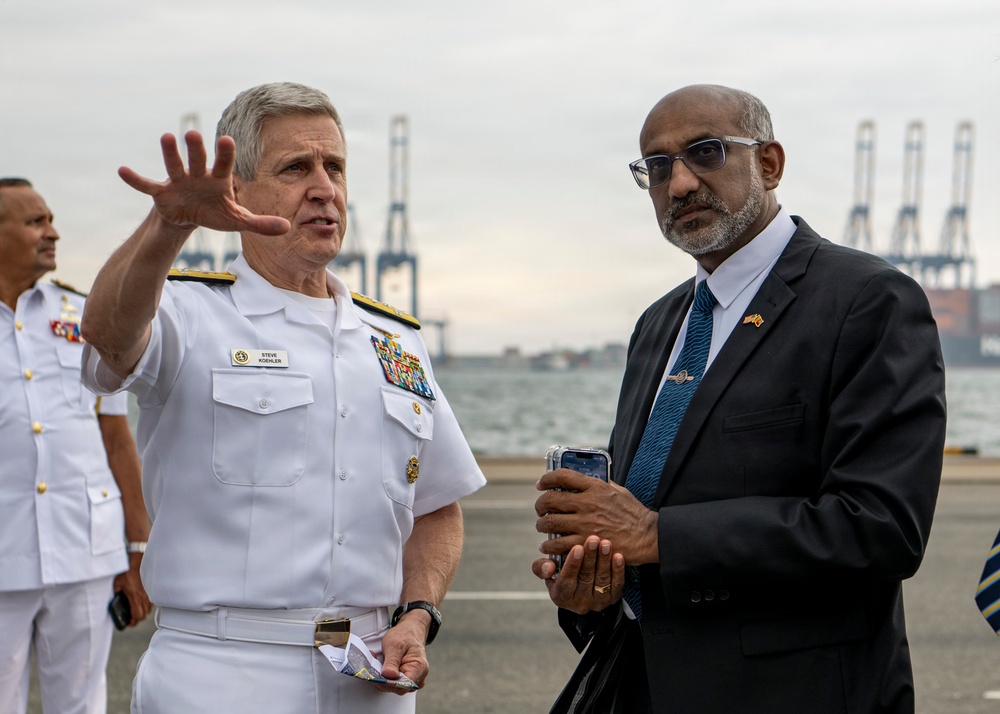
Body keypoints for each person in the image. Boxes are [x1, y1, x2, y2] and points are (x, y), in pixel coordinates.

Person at [533, 85, 946, 713]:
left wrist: (659, 535)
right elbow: (648, 525)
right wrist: (596, 584)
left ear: (770, 163)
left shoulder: (868, 300)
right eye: (658, 166)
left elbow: (882, 527)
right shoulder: (659, 324)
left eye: (705, 152)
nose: (679, 185)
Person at [79, 82, 485, 713]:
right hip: (220, 673)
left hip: (370, 674)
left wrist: (418, 613)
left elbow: (436, 506)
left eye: (336, 167)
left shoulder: (394, 340)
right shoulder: (186, 311)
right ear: (235, 191)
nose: (324, 187)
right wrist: (169, 222)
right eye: (296, 168)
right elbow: (107, 337)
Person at [0, 178, 151, 714]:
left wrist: (137, 547)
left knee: (81, 707)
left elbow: (117, 437)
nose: (52, 231)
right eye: (34, 222)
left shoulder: (82, 316)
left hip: (85, 552)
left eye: (50, 218)